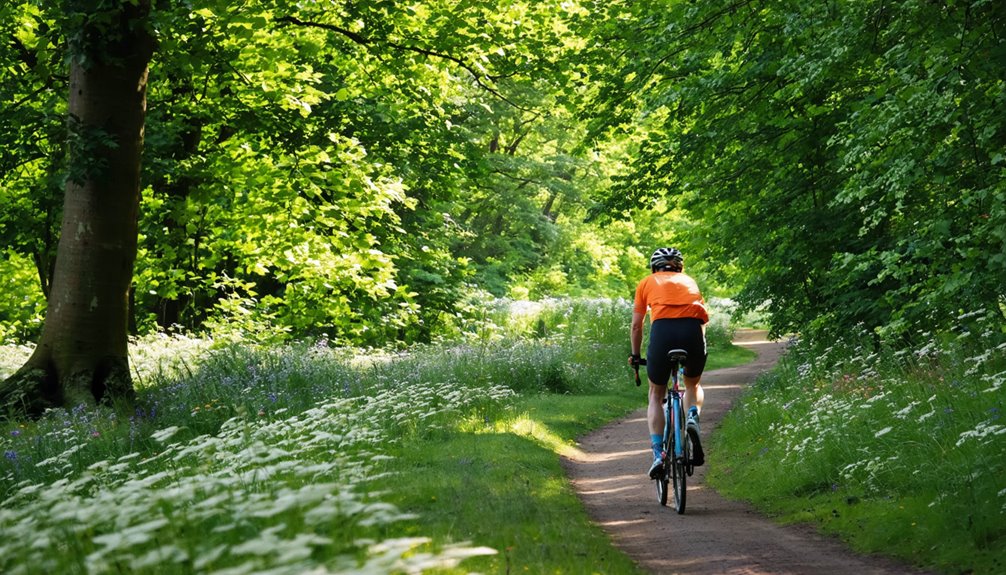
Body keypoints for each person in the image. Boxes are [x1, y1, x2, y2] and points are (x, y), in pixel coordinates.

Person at [629, 247, 709, 479]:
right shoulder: (689, 281)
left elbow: (637, 325)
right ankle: (692, 415)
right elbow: (702, 321)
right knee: (692, 384)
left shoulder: (647, 282)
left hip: (663, 333)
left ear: (655, 268)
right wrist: (698, 347)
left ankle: (658, 455)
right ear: (680, 267)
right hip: (692, 332)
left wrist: (635, 355)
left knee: (656, 393)